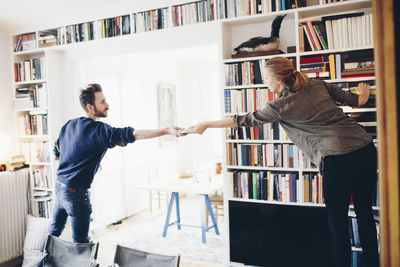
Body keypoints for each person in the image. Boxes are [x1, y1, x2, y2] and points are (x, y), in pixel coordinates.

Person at [187, 57, 379, 267]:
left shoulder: (280, 106)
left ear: (278, 80)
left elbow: (242, 119)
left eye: (267, 78)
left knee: (338, 225)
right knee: (365, 215)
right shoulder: (317, 84)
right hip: (365, 150)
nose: (265, 82)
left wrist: (206, 124)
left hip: (337, 159)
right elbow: (357, 101)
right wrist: (363, 94)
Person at [49, 83, 184, 243]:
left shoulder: (69, 125)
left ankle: (39, 263)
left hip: (59, 188)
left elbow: (58, 154)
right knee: (81, 244)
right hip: (75, 194)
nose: (108, 105)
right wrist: (166, 130)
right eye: (103, 102)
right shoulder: (100, 130)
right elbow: (135, 135)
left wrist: (87, 161)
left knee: (53, 234)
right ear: (90, 107)